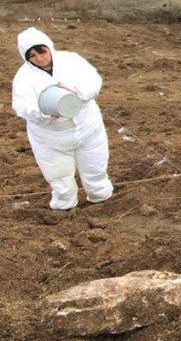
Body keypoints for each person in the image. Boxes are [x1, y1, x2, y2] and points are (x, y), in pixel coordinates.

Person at [11, 27, 114, 210]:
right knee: (58, 175)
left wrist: (76, 92)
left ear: (48, 46)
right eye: (32, 55)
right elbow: (22, 106)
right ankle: (65, 205)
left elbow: (93, 81)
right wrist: (44, 112)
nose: (39, 57)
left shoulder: (71, 60)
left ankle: (101, 198)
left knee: (95, 165)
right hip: (51, 136)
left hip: (87, 125)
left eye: (41, 50)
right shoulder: (24, 77)